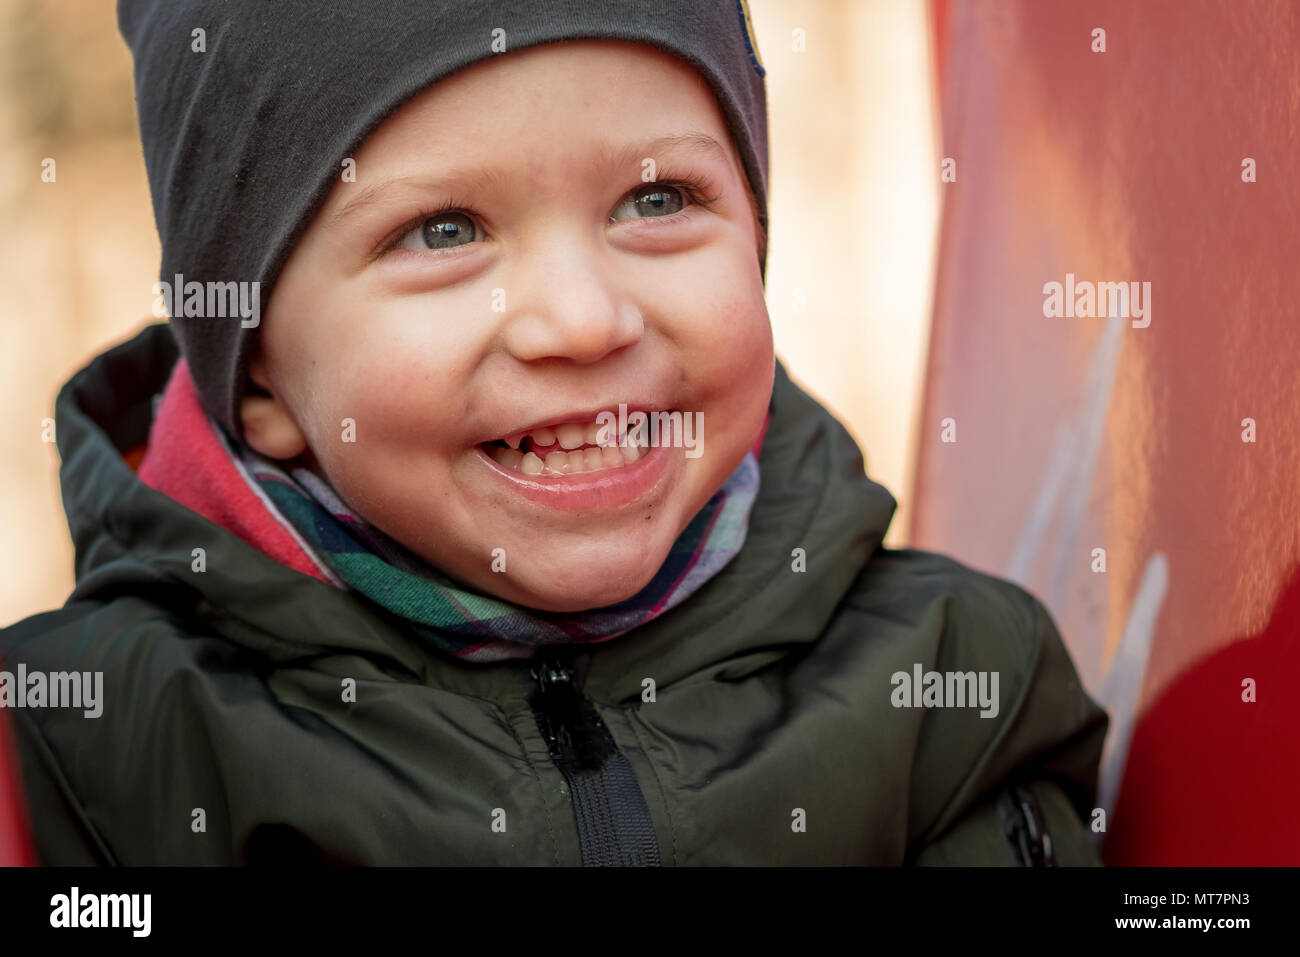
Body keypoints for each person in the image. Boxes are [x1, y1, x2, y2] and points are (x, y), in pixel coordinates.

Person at [0, 0, 1107, 865]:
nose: (583, 319)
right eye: (444, 231)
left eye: (658, 200)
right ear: (264, 382)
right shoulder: (94, 758)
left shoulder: (948, 692)